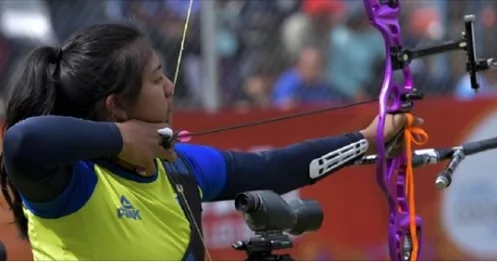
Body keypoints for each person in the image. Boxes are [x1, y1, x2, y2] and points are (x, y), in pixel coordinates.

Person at [0, 22, 422, 261]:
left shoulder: (182, 166)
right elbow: (21, 142)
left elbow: (273, 169)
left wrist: (366, 139)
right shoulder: (73, 185)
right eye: (155, 78)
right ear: (117, 107)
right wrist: (120, 140)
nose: (169, 86)